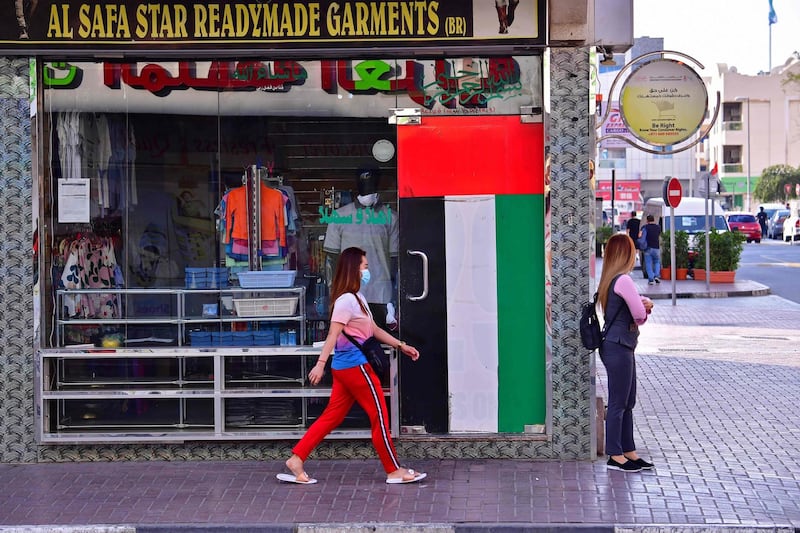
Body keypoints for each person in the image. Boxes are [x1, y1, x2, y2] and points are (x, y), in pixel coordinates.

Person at [278, 247, 426, 485]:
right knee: (379, 416)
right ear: (354, 269)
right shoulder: (346, 301)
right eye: (365, 266)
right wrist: (320, 364)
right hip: (356, 369)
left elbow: (374, 330)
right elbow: (333, 334)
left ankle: (297, 459)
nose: (368, 270)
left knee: (331, 416)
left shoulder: (357, 298)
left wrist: (401, 345)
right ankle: (393, 470)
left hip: (346, 369)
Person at [597, 233, 654, 472]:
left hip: (617, 345)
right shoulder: (623, 280)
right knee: (620, 401)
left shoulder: (611, 280)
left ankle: (628, 450)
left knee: (628, 400)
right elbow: (639, 315)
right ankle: (615, 454)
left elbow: (628, 306)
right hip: (619, 346)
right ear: (627, 254)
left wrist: (642, 302)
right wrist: (646, 305)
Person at [323, 168, 398, 330]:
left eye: (371, 181)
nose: (368, 186)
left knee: (377, 347)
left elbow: (395, 261)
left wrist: (394, 298)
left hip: (380, 295)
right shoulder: (339, 216)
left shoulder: (391, 217)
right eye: (364, 181)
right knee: (352, 345)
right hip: (349, 294)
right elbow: (331, 259)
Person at [624, 211, 646, 279]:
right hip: (637, 236)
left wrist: (627, 235)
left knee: (632, 246)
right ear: (636, 215)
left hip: (632, 236)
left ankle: (634, 256)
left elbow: (628, 230)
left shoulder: (630, 221)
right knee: (638, 246)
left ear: (631, 215)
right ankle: (637, 255)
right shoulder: (639, 221)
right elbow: (640, 230)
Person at [641, 214, 661, 285]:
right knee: (657, 262)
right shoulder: (658, 227)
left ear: (647, 220)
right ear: (654, 220)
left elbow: (642, 237)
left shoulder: (645, 227)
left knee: (648, 264)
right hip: (656, 248)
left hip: (648, 248)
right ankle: (657, 276)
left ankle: (651, 279)